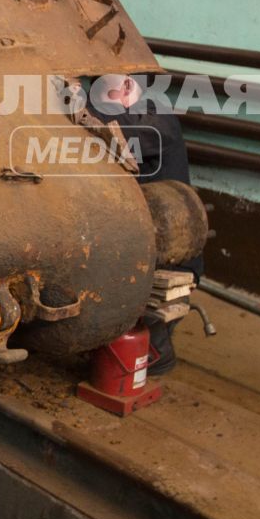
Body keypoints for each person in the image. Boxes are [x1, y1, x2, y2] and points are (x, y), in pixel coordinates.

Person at [88, 73, 199, 375]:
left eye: (103, 97)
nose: (95, 104)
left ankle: (155, 351)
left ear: (127, 87)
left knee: (146, 325)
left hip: (169, 259)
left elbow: (110, 133)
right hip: (140, 239)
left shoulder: (155, 118)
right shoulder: (119, 108)